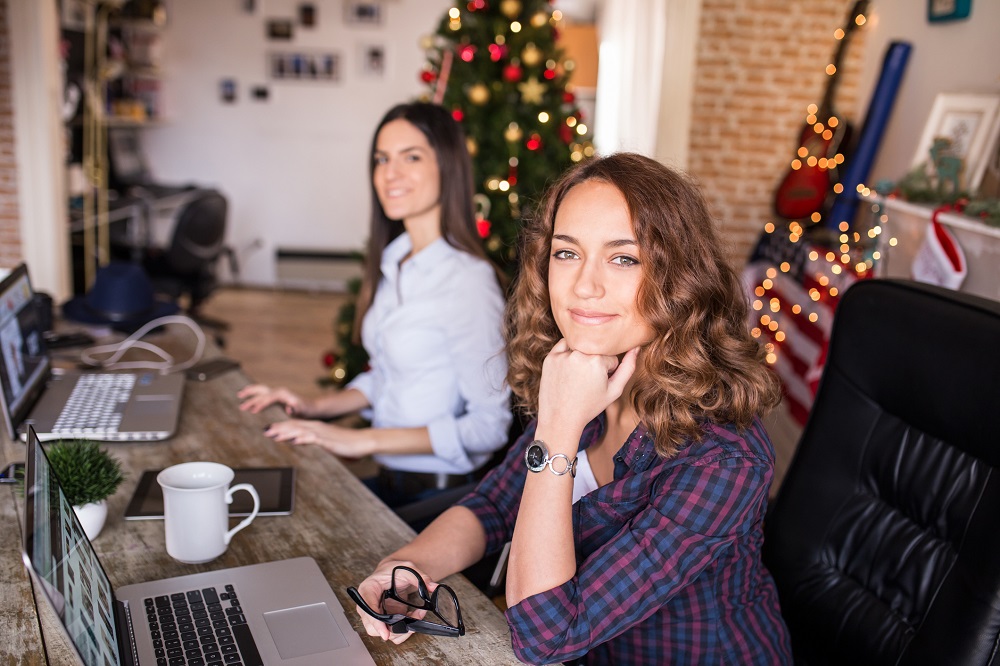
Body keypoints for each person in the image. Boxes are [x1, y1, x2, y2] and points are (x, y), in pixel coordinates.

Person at [351, 153, 792, 664]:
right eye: (566, 253)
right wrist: (403, 566)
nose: (584, 285)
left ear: (680, 278)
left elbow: (546, 637)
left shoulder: (723, 458)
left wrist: (558, 430)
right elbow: (496, 506)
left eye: (623, 258)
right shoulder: (588, 373)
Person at [238, 102, 511, 508]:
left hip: (443, 493)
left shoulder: (467, 281)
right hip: (392, 476)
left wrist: (360, 439)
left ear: (448, 167)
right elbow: (387, 376)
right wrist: (313, 407)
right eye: (382, 159)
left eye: (411, 157)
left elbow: (490, 426)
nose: (390, 174)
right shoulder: (395, 260)